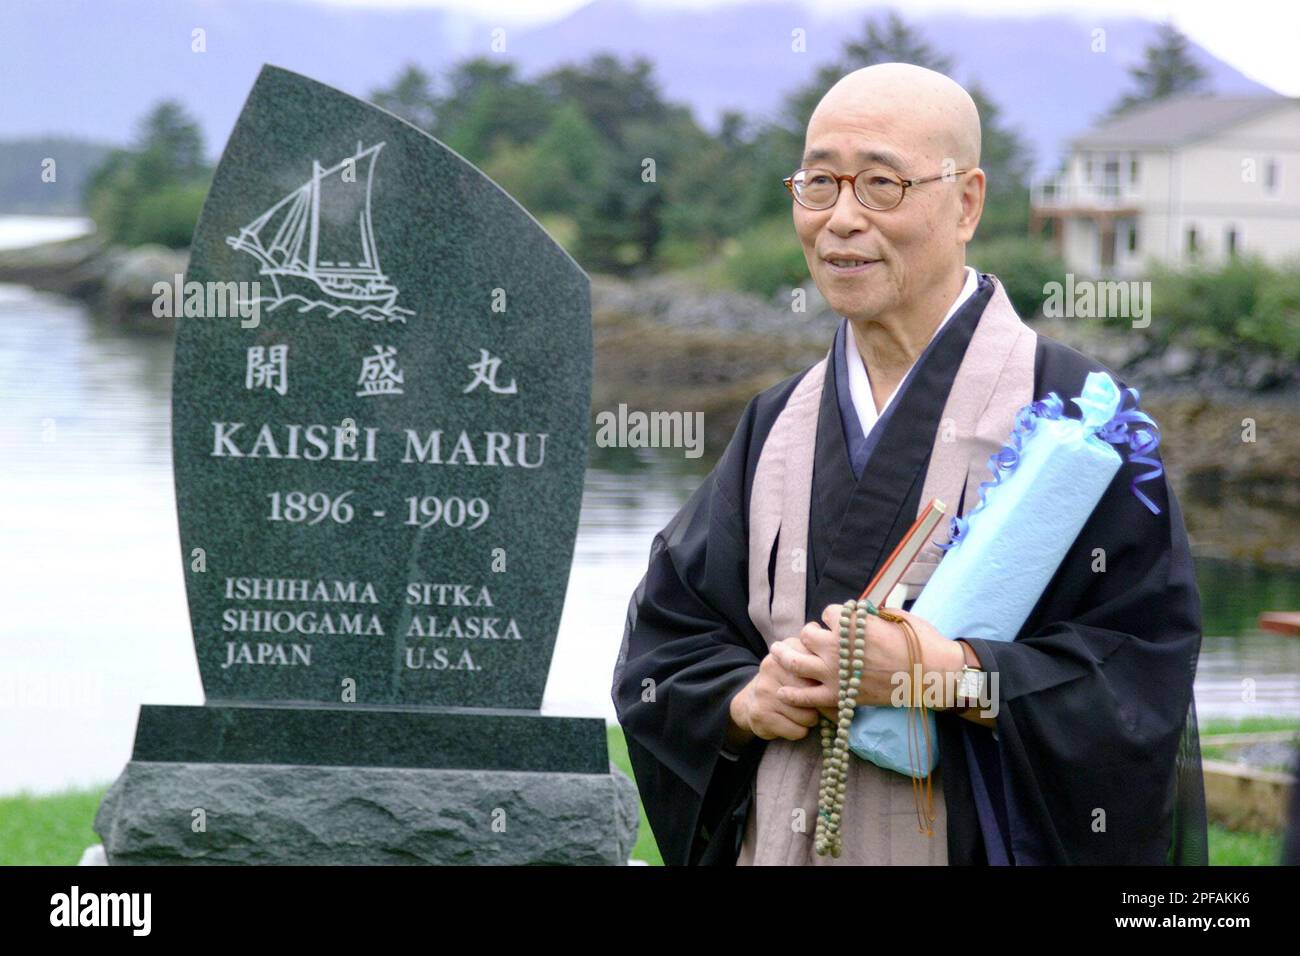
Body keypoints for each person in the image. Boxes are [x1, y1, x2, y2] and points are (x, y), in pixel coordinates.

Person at [610, 63, 1206, 865]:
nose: (841, 220)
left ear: (966, 203)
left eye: (881, 185)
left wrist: (952, 674)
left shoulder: (1077, 418)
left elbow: (1140, 671)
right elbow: (669, 639)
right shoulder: (778, 421)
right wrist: (745, 700)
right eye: (818, 183)